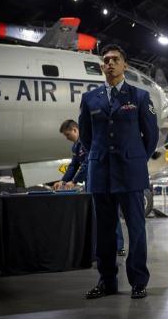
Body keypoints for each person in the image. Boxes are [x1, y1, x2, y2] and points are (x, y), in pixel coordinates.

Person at [78, 44, 159, 299]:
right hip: (101, 173)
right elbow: (86, 138)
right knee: (104, 231)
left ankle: (138, 281)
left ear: (125, 66)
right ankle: (107, 281)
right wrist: (102, 158)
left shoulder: (139, 97)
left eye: (116, 59)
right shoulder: (90, 99)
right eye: (106, 60)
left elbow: (151, 136)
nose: (110, 63)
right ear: (101, 67)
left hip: (131, 173)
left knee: (136, 230)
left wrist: (135, 159)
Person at [55, 120, 126, 257]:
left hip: (102, 181)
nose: (67, 138)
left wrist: (74, 181)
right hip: (91, 182)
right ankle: (100, 245)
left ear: (75, 130)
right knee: (96, 215)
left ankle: (119, 245)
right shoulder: (75, 147)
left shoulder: (89, 142)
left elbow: (88, 163)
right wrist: (63, 180)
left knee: (112, 212)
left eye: (68, 134)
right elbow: (74, 165)